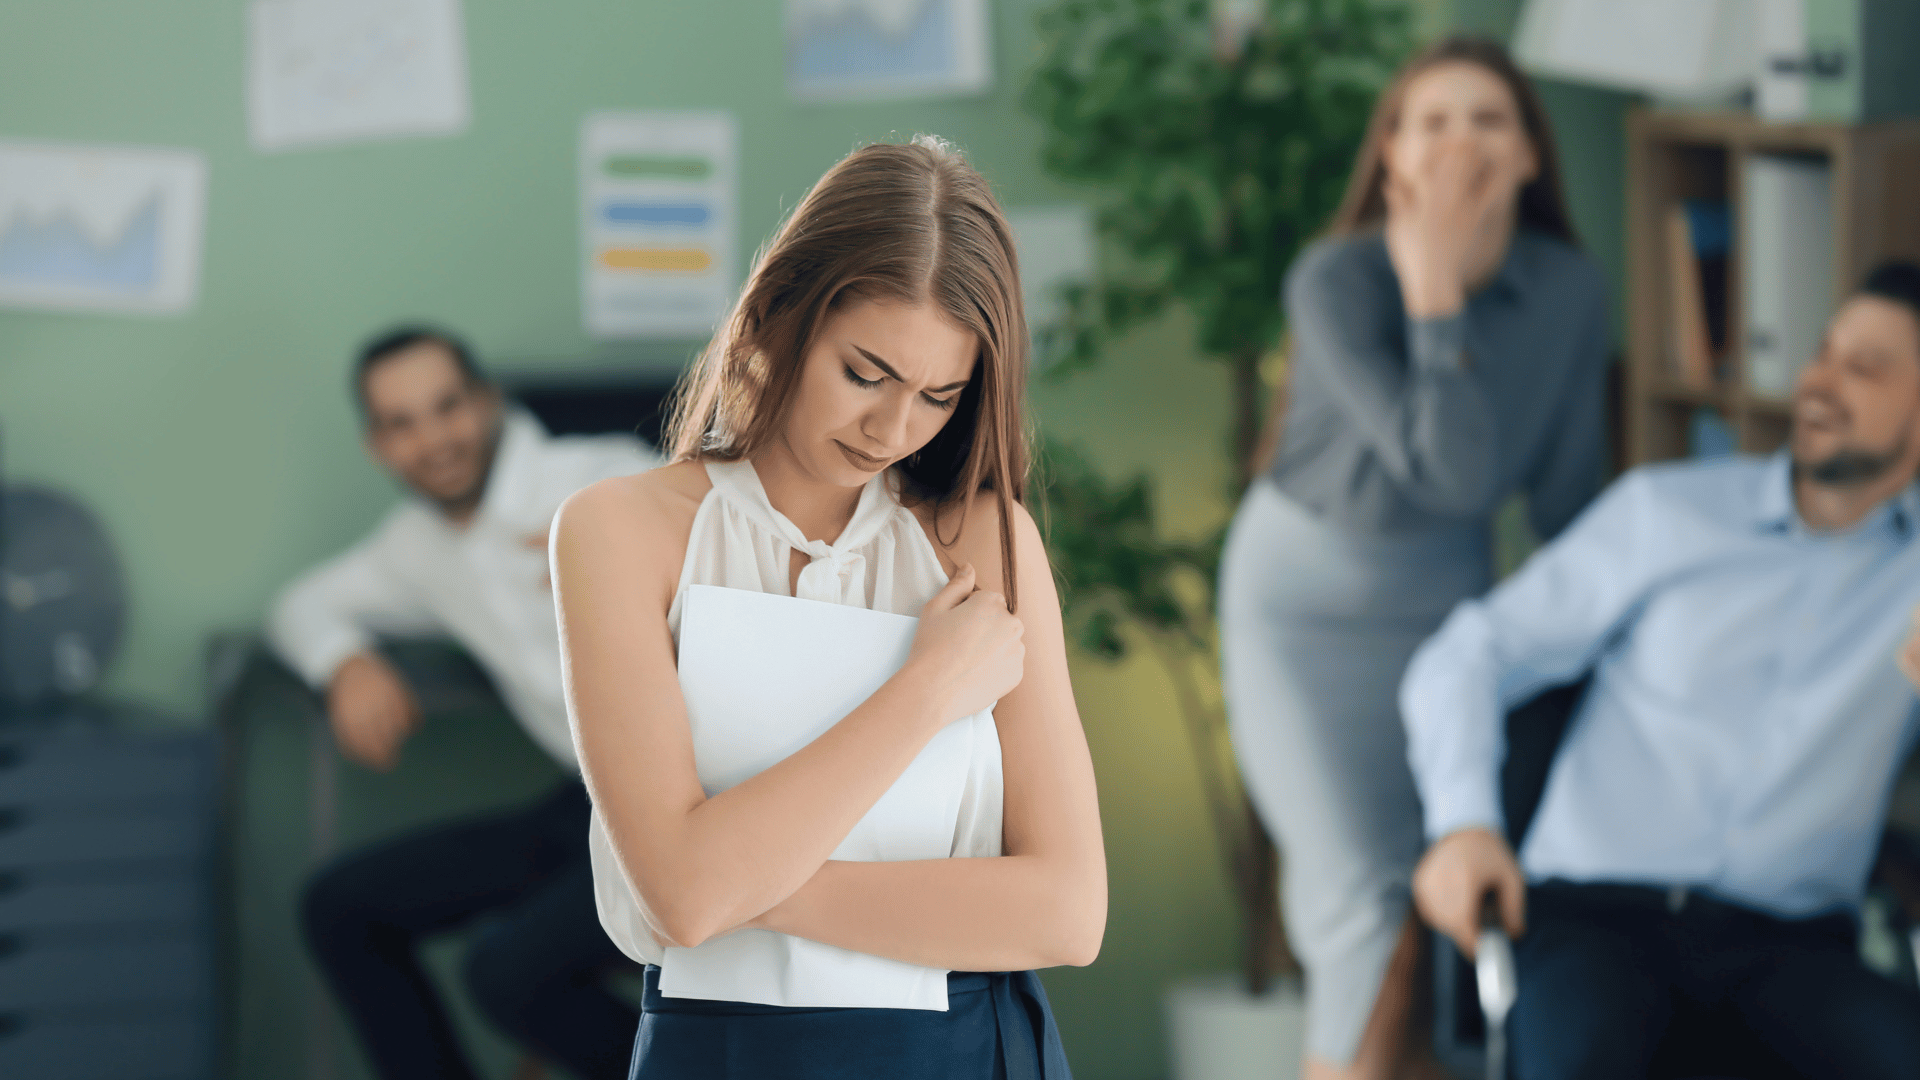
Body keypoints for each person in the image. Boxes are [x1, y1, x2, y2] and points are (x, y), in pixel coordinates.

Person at [550, 137, 1106, 1079]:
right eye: (865, 374)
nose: (893, 430)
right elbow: (682, 904)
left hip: (961, 1051)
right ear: (774, 316)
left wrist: (739, 879)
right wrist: (927, 691)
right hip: (715, 1049)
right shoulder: (618, 532)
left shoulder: (980, 538)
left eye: (940, 395)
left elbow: (1066, 913)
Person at [1404, 261, 1920, 1080]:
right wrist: (1463, 822)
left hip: (1790, 952)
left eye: (1864, 368)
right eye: (1824, 352)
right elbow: (1468, 652)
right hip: (1596, 924)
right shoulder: (1668, 513)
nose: (1819, 381)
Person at [1217, 36, 1608, 1080]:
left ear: (1531, 157)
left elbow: (1570, 495)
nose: (1460, 144)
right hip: (1300, 612)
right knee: (1357, 894)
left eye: (1490, 120)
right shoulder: (1335, 279)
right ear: (1389, 157)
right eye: (1431, 122)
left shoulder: (1569, 290)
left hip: (1447, 619)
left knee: (1434, 903)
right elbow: (1448, 472)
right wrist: (1433, 283)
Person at [269, 327, 661, 1080]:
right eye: (401, 423)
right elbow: (302, 603)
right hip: (587, 805)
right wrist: (343, 661)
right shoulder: (416, 546)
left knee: (506, 975)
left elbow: (730, 534)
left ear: (486, 403)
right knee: (341, 908)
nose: (432, 440)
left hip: (687, 800)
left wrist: (625, 541)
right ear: (377, 445)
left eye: (446, 408)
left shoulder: (600, 477)